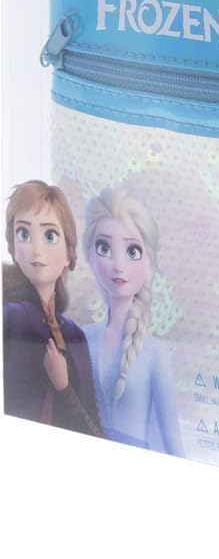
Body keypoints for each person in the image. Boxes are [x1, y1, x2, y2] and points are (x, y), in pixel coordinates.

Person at [83, 184, 183, 455]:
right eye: (104, 247)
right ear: (90, 256)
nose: (118, 265)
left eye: (132, 252)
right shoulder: (81, 337)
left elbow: (172, 440)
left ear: (150, 266)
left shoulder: (156, 354)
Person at [3, 180, 102, 435]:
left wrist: (64, 387)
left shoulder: (74, 333)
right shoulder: (13, 318)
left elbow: (92, 424)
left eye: (50, 236)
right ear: (13, 247)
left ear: (69, 253)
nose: (37, 250)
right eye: (23, 234)